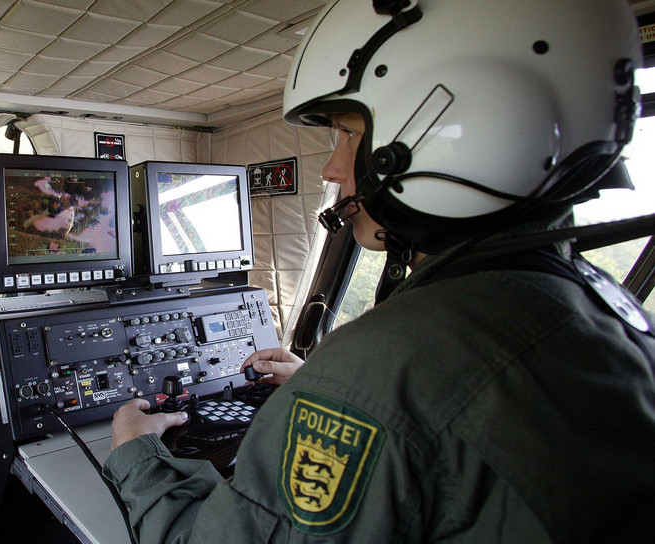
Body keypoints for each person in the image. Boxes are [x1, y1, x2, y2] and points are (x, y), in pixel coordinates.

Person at [103, 0, 655, 542]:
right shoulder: (603, 309)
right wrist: (327, 393)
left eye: (348, 133)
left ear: (471, 130)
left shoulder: (392, 362)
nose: (333, 168)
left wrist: (135, 452)